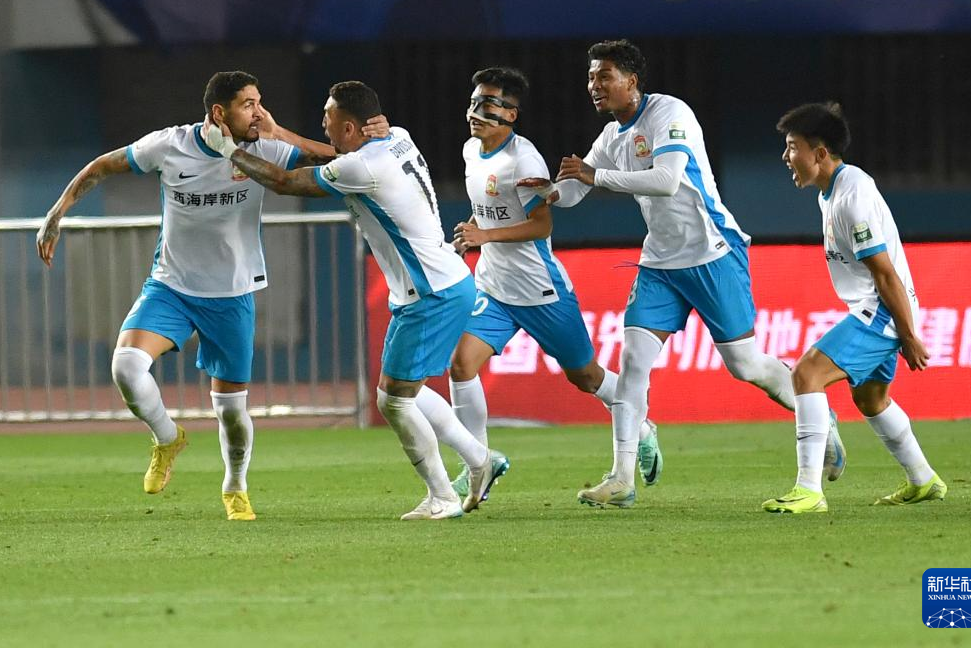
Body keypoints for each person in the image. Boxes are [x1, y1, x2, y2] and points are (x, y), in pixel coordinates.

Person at [35, 70, 386, 521]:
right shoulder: (170, 144)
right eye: (249, 104)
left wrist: (373, 136)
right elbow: (102, 165)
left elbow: (336, 155)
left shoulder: (265, 148)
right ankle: (167, 438)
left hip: (232, 296)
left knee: (233, 415)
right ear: (219, 112)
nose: (258, 112)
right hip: (171, 287)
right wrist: (55, 214)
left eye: (260, 102)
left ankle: (235, 487)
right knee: (125, 366)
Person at [539, 39, 847, 508]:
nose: (594, 86)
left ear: (632, 81)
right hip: (661, 263)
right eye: (590, 77)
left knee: (745, 365)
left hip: (711, 251)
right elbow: (577, 189)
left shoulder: (669, 114)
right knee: (634, 360)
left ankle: (820, 417)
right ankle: (622, 478)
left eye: (604, 76)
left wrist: (592, 177)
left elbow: (665, 181)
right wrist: (549, 193)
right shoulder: (610, 137)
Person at [201, 80, 507, 520]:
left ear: (348, 126)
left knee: (393, 401)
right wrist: (278, 134)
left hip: (430, 291)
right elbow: (342, 155)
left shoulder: (362, 167)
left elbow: (286, 182)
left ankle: (443, 495)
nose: (322, 124)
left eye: (328, 119)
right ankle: (481, 460)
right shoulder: (396, 136)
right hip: (442, 280)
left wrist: (230, 150)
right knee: (406, 390)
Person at [449, 66, 661, 496]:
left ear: (511, 114)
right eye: (474, 102)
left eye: (488, 104)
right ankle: (477, 464)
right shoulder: (473, 150)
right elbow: (490, 207)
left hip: (539, 291)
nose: (476, 111)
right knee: (460, 365)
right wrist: (472, 231)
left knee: (585, 376)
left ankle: (641, 425)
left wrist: (484, 235)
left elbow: (540, 225)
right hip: (494, 287)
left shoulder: (522, 161)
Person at [763, 102, 946, 513]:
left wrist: (909, 335)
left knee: (806, 374)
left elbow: (884, 274)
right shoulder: (832, 193)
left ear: (820, 153)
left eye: (792, 147)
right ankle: (924, 480)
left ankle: (809, 490)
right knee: (871, 400)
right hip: (877, 308)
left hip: (881, 310)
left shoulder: (851, 199)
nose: (785, 157)